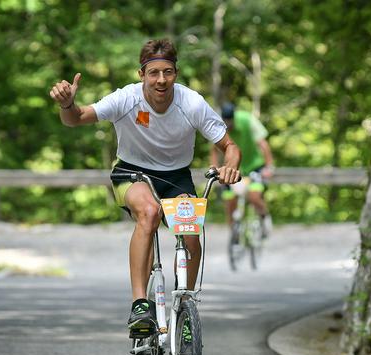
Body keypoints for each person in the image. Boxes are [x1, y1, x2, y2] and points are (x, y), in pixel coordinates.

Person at [49, 38, 241, 329]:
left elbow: (230, 145)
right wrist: (67, 104)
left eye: (168, 72)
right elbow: (76, 118)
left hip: (176, 178)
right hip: (132, 173)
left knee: (191, 234)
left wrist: (231, 167)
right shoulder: (126, 99)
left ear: (176, 73)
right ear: (142, 75)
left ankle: (186, 305)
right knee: (149, 212)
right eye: (153, 73)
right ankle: (140, 304)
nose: (161, 80)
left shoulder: (191, 102)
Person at [210, 102, 274, 237]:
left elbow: (263, 143)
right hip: (232, 168)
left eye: (230, 122)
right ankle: (234, 236)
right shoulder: (219, 124)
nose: (228, 125)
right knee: (230, 201)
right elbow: (214, 150)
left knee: (254, 197)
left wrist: (269, 166)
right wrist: (214, 167)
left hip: (253, 166)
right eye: (226, 122)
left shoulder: (247, 120)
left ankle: (264, 218)